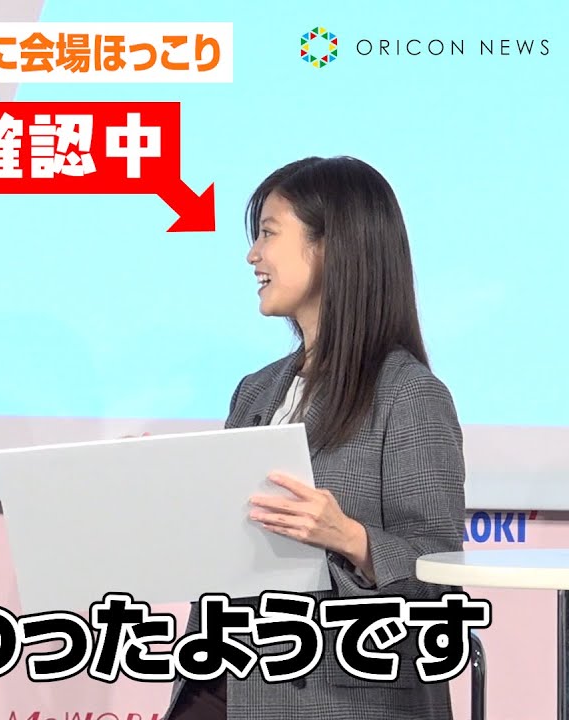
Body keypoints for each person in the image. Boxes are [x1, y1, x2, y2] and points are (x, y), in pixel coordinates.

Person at [163, 156, 466, 720]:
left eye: (269, 233)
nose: (253, 255)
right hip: (228, 684)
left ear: (330, 247)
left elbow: (441, 587)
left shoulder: (409, 395)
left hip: (341, 699)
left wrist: (351, 538)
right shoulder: (256, 390)